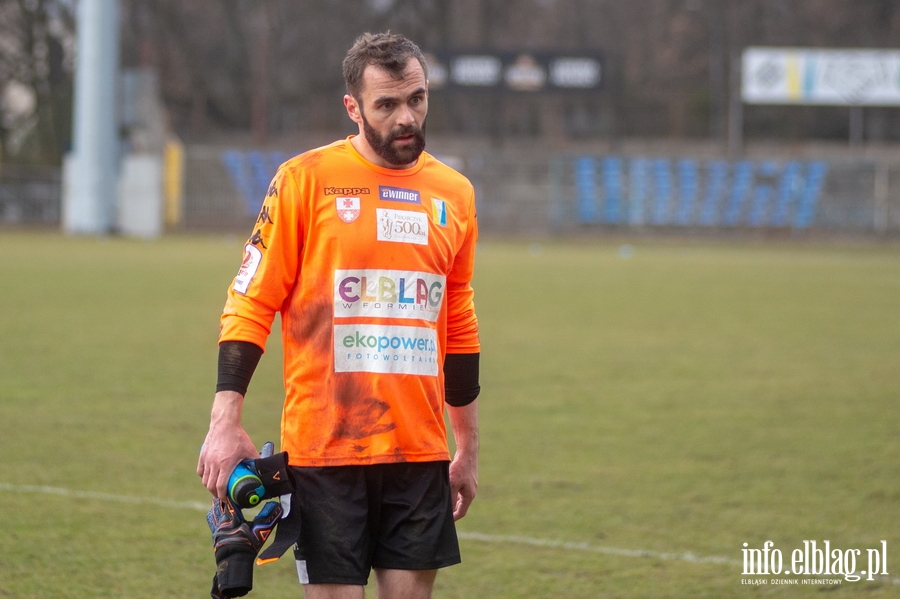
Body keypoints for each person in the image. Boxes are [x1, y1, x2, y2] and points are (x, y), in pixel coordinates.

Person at [197, 32, 481, 599]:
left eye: (417, 99)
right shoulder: (305, 181)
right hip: (327, 450)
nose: (407, 117)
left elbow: (458, 322)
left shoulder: (455, 193)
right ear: (353, 107)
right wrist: (224, 420)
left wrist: (467, 447)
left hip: (419, 453)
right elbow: (252, 299)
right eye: (387, 104)